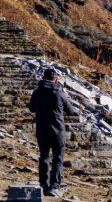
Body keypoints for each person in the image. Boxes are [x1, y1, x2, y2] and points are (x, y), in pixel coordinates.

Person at [28, 67, 77, 197]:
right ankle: (54, 187)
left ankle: (43, 185)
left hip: (42, 131)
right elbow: (71, 111)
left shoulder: (37, 93)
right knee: (57, 160)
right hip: (58, 132)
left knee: (44, 157)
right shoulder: (60, 94)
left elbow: (31, 109)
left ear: (43, 78)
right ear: (56, 80)